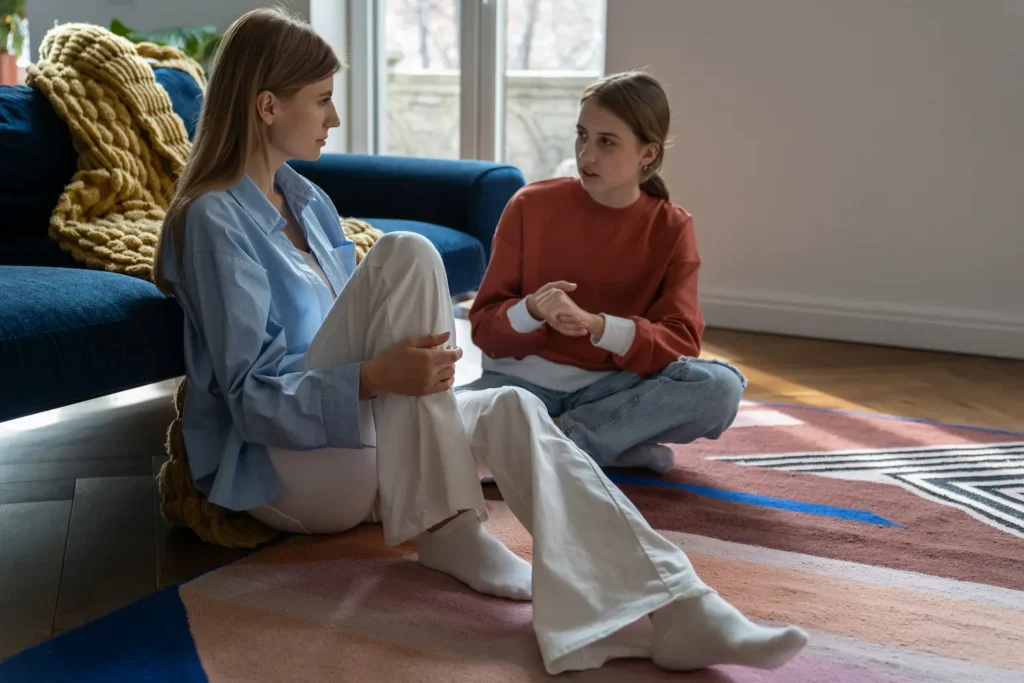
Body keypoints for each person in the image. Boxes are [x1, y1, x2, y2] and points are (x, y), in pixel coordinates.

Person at [152, 8, 807, 677]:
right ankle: (449, 526)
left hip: (371, 451)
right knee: (406, 252)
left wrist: (384, 378)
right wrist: (375, 378)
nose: (334, 120)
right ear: (267, 105)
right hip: (288, 470)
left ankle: (679, 606)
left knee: (514, 409)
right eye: (322, 101)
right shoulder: (214, 221)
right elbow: (250, 401)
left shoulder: (310, 203)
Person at [462, 72, 745, 474]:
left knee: (720, 388)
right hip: (517, 387)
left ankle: (553, 447)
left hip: (611, 390)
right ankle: (607, 447)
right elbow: (484, 328)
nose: (586, 155)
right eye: (582, 136)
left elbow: (681, 341)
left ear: (647, 154)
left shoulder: (671, 227)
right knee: (425, 421)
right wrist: (534, 310)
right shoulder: (530, 205)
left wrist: (597, 325)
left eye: (606, 142)